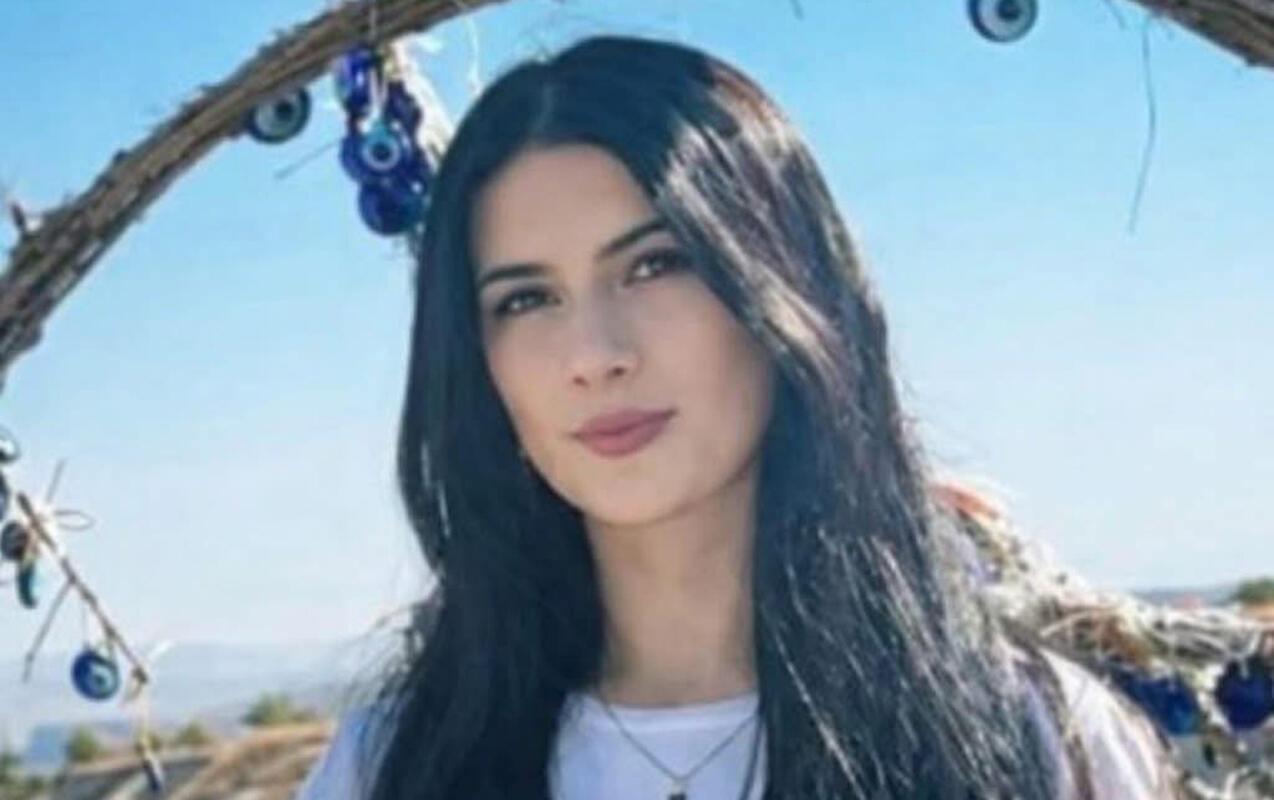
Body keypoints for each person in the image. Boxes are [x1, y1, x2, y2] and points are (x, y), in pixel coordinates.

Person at [295, 35, 1184, 799]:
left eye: (655, 265)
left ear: (785, 287)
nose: (593, 354)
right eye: (526, 299)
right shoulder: (393, 766)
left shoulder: (1032, 736)